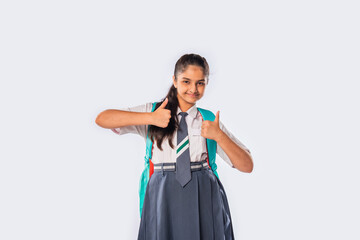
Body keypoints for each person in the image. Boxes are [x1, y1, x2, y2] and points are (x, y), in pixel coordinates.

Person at [95, 53, 254, 240]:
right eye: (186, 81)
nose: (193, 89)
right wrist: (150, 118)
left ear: (206, 84)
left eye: (200, 83)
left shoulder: (209, 119)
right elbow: (102, 119)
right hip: (163, 193)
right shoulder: (154, 111)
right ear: (175, 80)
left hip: (203, 192)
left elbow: (247, 166)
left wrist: (219, 135)